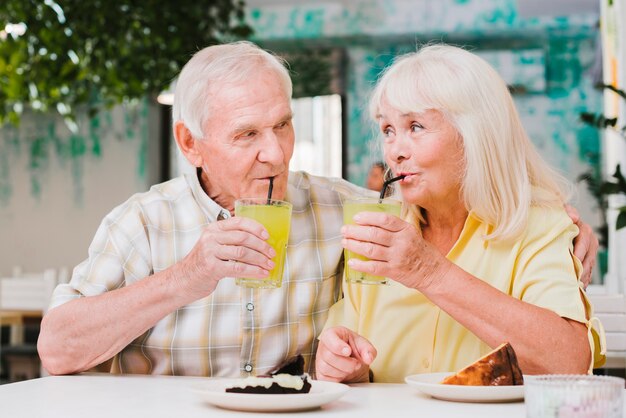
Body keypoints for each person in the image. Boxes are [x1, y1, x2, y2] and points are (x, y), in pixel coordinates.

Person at [38, 41, 599, 378]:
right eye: (247, 134)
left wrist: (560, 217)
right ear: (190, 144)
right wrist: (190, 276)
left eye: (283, 124)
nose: (276, 152)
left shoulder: (350, 212)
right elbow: (57, 349)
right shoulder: (142, 223)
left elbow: (459, 198)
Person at [315, 44, 605, 384]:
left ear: (475, 136)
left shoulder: (540, 227)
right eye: (388, 130)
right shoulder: (377, 233)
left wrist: (430, 272)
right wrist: (343, 362)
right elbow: (348, 351)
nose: (395, 151)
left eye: (416, 126)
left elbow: (567, 361)